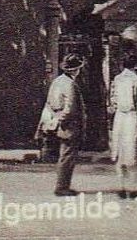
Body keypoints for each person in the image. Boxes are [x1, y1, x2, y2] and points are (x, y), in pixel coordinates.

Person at [39, 54, 86, 196]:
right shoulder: (70, 84)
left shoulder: (57, 81)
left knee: (64, 155)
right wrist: (63, 119)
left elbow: (49, 102)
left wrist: (55, 119)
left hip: (57, 123)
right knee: (68, 156)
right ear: (75, 70)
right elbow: (70, 108)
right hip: (69, 125)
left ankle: (62, 185)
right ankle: (62, 186)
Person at [107, 53, 137, 199]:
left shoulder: (117, 80)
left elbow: (112, 101)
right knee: (131, 153)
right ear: (134, 65)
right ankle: (133, 188)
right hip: (131, 117)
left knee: (119, 151)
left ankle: (121, 187)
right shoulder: (136, 80)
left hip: (119, 117)